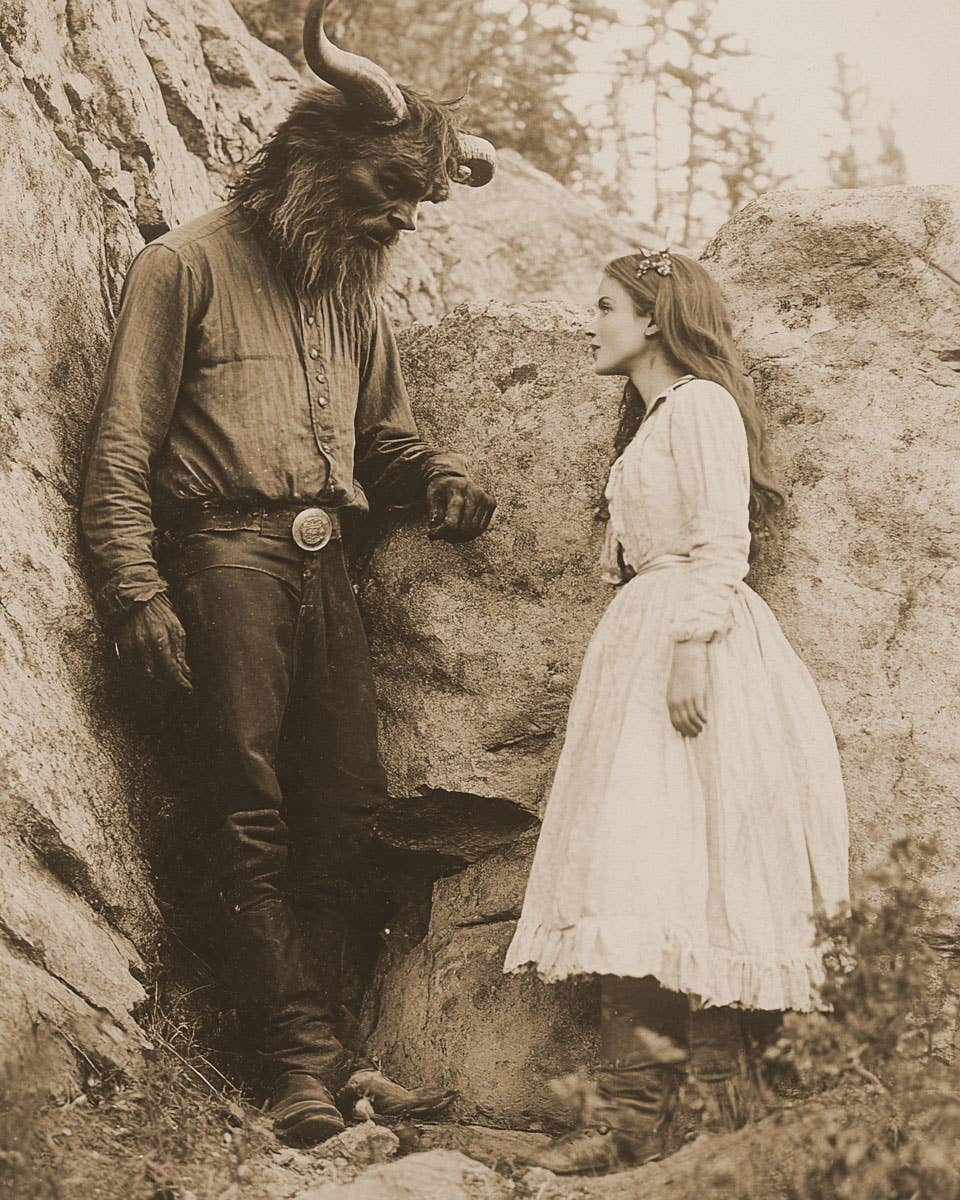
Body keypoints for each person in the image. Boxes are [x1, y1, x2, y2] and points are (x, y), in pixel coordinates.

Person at [80, 1, 497, 1147]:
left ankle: (340, 1058)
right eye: (391, 191)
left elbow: (386, 443)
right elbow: (118, 449)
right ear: (320, 155)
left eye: (418, 203)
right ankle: (295, 1069)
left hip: (324, 575)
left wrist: (438, 479)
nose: (401, 219)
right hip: (222, 563)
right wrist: (134, 591)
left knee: (346, 811)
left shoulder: (353, 286)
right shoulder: (182, 266)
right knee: (244, 812)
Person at [503, 249, 849, 1174]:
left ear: (654, 319)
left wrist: (691, 647)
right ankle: (632, 1122)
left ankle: (707, 1124)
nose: (592, 323)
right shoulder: (654, 423)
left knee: (691, 870)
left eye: (606, 307)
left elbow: (722, 539)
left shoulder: (700, 408)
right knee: (640, 870)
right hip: (644, 639)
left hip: (697, 644)